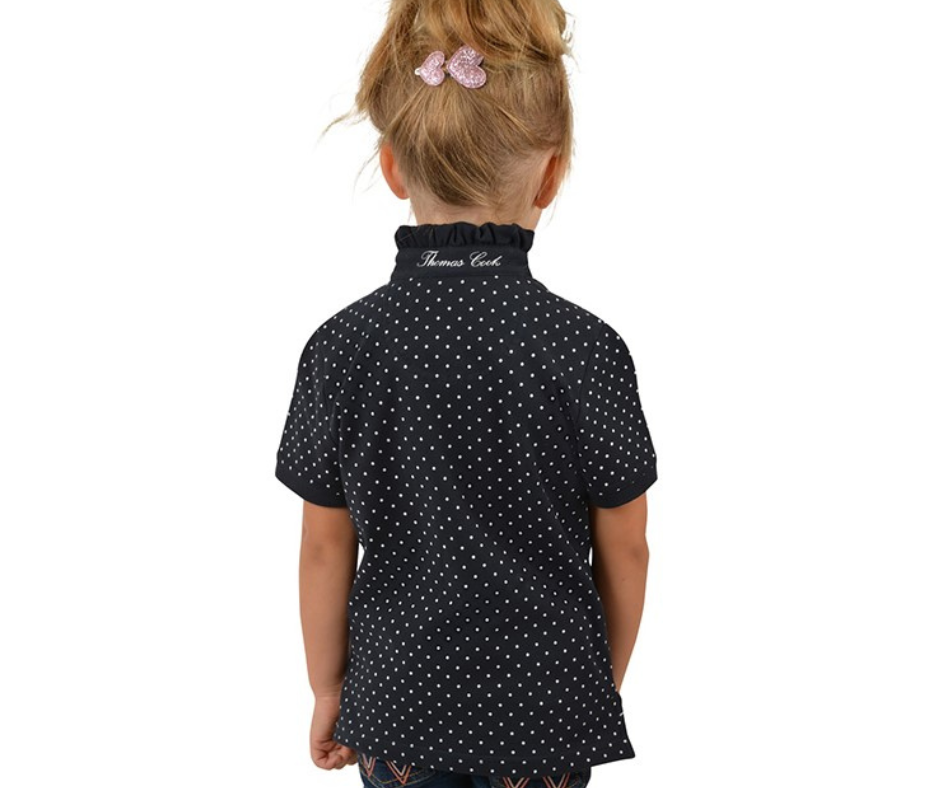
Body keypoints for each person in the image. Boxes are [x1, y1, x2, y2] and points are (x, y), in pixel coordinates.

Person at [274, 2, 658, 787]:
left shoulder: (341, 347)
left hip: (397, 708)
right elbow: (627, 545)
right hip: (547, 710)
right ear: (551, 173)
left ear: (392, 167)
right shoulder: (587, 349)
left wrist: (327, 689)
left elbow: (323, 546)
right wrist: (598, 689)